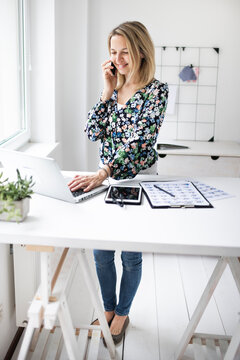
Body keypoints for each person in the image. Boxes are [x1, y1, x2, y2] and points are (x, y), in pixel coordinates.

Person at [68, 21, 168, 345]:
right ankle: (107, 308)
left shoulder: (156, 91)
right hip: (105, 177)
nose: (119, 57)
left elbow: (140, 143)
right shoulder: (114, 88)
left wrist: (106, 170)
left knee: (130, 256)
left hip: (137, 179)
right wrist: (107, 90)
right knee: (101, 252)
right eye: (113, 51)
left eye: (125, 50)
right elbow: (92, 133)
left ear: (141, 50)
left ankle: (122, 312)